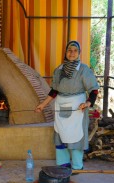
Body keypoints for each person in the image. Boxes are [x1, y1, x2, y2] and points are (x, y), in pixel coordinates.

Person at [35, 40, 99, 171]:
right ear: (65, 52)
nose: (72, 53)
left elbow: (94, 90)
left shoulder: (83, 70)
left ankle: (76, 166)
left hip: (77, 108)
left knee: (76, 137)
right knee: (61, 135)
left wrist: (87, 103)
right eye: (69, 50)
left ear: (79, 53)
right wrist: (42, 105)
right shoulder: (59, 70)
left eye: (75, 51)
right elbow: (54, 91)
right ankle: (63, 165)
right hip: (60, 105)